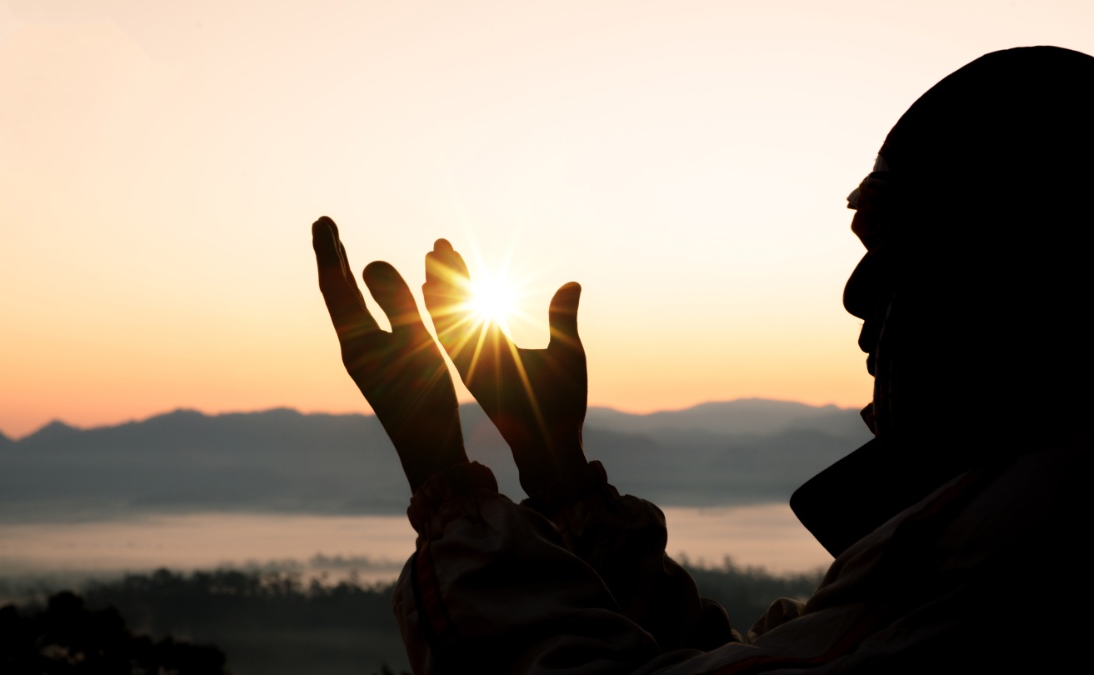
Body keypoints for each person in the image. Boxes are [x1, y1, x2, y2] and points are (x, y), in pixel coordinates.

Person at [312, 46, 1093, 673]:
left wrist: (444, 487)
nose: (857, 292)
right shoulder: (987, 526)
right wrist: (555, 471)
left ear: (1022, 261)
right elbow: (728, 662)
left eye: (895, 241)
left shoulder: (1021, 545)